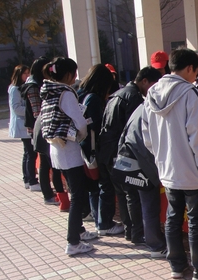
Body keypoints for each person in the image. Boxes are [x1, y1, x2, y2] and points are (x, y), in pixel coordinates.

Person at [142, 48, 198, 280]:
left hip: (167, 169)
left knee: (172, 217)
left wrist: (162, 157)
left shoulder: (152, 94)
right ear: (190, 68)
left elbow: (147, 136)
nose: (196, 76)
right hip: (192, 172)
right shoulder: (191, 94)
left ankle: (177, 266)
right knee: (196, 221)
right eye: (196, 71)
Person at [40, 57, 97, 255]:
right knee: (78, 196)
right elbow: (79, 122)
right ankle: (73, 242)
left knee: (74, 191)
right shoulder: (65, 93)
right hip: (69, 149)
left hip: (56, 148)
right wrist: (82, 135)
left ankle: (79, 231)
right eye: (74, 72)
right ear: (68, 74)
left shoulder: (49, 92)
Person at [100, 66, 162, 244]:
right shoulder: (134, 98)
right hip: (127, 153)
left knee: (124, 194)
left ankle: (130, 231)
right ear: (145, 81)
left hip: (112, 151)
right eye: (154, 85)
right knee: (135, 196)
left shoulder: (119, 93)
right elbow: (138, 133)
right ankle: (139, 234)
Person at [77, 64, 124, 237]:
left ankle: (98, 220)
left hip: (83, 148)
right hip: (95, 149)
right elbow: (96, 127)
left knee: (94, 186)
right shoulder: (94, 99)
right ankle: (104, 223)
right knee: (104, 185)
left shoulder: (80, 94)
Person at [118, 104, 166, 258]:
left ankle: (138, 234)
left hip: (131, 160)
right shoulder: (155, 110)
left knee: (137, 200)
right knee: (149, 204)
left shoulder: (140, 107)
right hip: (143, 163)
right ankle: (156, 245)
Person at [22, 56, 68, 207]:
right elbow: (37, 112)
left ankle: (51, 195)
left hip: (41, 128)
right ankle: (50, 195)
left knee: (46, 164)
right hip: (41, 128)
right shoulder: (34, 87)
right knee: (49, 164)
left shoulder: (37, 85)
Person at [9, 64, 41, 191]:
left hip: (26, 123)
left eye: (28, 73)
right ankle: (32, 180)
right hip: (22, 124)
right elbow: (16, 107)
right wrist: (30, 110)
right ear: (18, 75)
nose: (27, 75)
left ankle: (27, 179)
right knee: (30, 153)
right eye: (25, 73)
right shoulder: (14, 89)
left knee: (28, 153)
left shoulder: (24, 86)